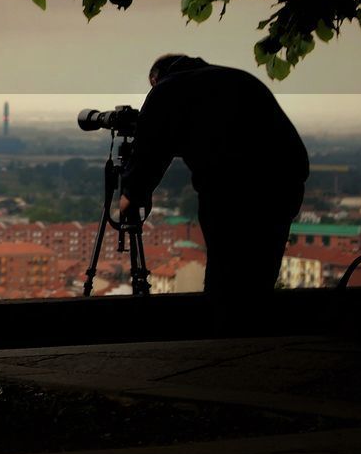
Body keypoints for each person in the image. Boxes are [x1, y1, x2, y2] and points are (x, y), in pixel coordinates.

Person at [118, 54, 308, 297]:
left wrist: (131, 194)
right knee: (261, 272)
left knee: (224, 270)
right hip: (285, 184)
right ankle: (255, 327)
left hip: (230, 190)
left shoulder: (168, 88)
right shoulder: (238, 78)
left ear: (156, 78)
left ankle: (222, 327)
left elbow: (151, 147)